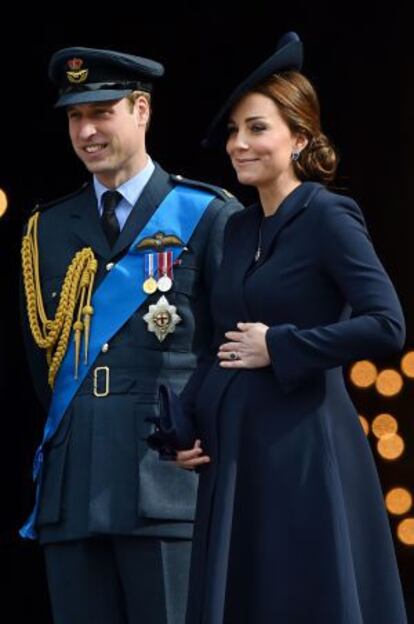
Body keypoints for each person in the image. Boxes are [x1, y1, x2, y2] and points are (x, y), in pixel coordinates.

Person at [149, 32, 408, 623]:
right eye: (235, 131)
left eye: (257, 128)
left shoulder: (328, 215)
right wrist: (184, 425)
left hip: (304, 451)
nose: (239, 144)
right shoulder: (237, 229)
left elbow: (387, 326)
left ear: (301, 137)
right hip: (237, 459)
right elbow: (222, 342)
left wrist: (282, 345)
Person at [19, 46, 242, 624]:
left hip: (166, 478)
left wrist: (207, 431)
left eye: (102, 111)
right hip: (72, 487)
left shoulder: (207, 213)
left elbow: (232, 343)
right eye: (74, 116)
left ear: (141, 109)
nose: (86, 130)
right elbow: (41, 359)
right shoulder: (46, 227)